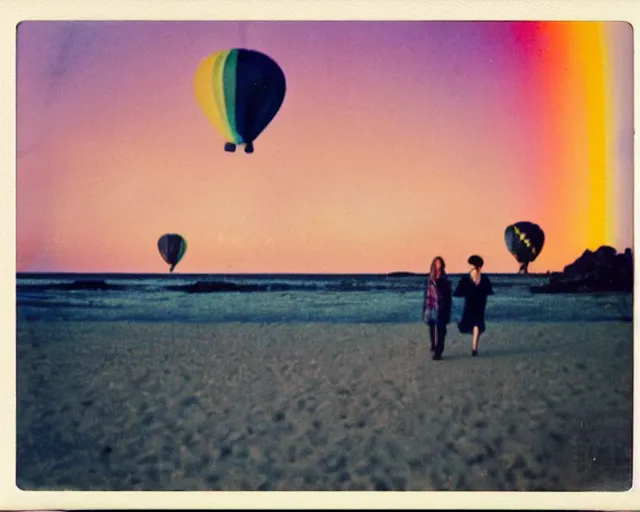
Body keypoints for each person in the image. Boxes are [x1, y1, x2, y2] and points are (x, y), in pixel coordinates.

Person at [454, 255, 494, 357]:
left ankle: (474, 348)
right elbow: (489, 291)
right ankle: (474, 348)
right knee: (477, 325)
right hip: (479, 305)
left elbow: (457, 292)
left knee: (474, 325)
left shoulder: (467, 278)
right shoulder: (484, 279)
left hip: (471, 304)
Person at [422, 256, 452, 361]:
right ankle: (434, 346)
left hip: (442, 307)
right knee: (432, 327)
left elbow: (447, 295)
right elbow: (428, 294)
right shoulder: (431, 278)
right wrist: (426, 308)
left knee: (440, 328)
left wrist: (447, 309)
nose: (439, 264)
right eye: (437, 262)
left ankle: (438, 352)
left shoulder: (444, 279)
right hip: (431, 305)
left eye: (440, 263)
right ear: (434, 264)